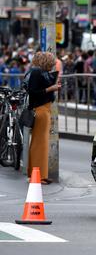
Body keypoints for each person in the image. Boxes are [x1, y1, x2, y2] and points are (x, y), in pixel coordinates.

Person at [26, 51, 61, 184]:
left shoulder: (41, 73)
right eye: (51, 61)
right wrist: (50, 89)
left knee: (40, 143)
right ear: (46, 61)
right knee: (40, 143)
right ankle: (38, 176)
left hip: (44, 109)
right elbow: (33, 92)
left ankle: (38, 174)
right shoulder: (36, 72)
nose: (53, 64)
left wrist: (53, 87)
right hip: (41, 109)